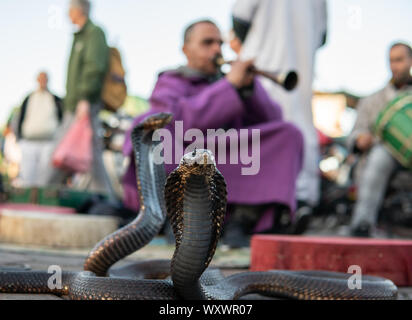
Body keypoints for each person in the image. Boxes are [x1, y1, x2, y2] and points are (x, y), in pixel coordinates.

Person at [122, 20, 304, 248]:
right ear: (186, 50)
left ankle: (243, 219)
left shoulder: (231, 82)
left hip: (228, 156)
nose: (217, 49)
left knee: (289, 134)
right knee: (159, 135)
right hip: (187, 155)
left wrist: (249, 89)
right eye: (207, 43)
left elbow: (272, 122)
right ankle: (177, 217)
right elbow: (182, 124)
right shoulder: (170, 81)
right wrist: (228, 86)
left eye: (219, 43)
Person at [231, 0, 328, 233]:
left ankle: (270, 207)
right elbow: (323, 36)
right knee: (298, 125)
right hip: (300, 67)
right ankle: (296, 201)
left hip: (263, 65)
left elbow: (240, 19)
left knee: (268, 129)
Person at [347, 42, 412, 237]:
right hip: (384, 155)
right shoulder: (372, 100)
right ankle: (362, 224)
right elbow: (355, 132)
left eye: (399, 60)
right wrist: (359, 140)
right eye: (391, 61)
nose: (394, 66)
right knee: (380, 156)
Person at [65, 0, 116, 201]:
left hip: (83, 103)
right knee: (92, 153)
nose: (67, 14)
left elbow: (94, 67)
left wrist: (85, 98)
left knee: (64, 152)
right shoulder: (80, 35)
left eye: (69, 10)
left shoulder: (94, 33)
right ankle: (108, 201)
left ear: (78, 10)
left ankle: (37, 196)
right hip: (75, 102)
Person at [16, 71, 63, 187]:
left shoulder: (55, 99)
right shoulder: (29, 98)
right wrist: (19, 138)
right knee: (27, 174)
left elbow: (61, 120)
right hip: (29, 142)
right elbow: (20, 118)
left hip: (49, 142)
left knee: (45, 175)